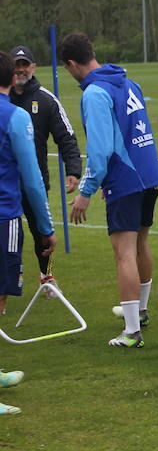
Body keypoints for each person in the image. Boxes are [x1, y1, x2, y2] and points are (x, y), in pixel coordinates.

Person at [59, 33, 158, 348]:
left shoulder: (94, 93)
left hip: (126, 177)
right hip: (148, 173)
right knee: (141, 244)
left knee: (124, 252)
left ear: (72, 64)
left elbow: (101, 151)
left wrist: (87, 191)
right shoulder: (129, 82)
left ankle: (132, 332)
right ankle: (140, 310)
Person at [1, 50, 56, 414]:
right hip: (3, 218)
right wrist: (46, 228)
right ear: (11, 78)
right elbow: (33, 180)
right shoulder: (15, 116)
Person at [7, 45, 81, 295]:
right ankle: (8, 280)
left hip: (35, 180)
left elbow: (67, 136)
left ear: (33, 67)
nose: (20, 70)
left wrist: (73, 169)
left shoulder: (46, 99)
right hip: (5, 182)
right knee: (7, 233)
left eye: (24, 65)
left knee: (41, 232)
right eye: (16, 66)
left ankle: (46, 275)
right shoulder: (3, 99)